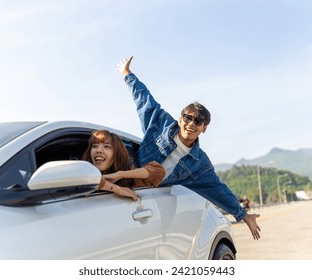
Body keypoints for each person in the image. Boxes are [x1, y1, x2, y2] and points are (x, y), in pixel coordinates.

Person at [116, 56, 261, 240]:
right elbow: (144, 99)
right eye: (188, 118)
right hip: (125, 179)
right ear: (180, 118)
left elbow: (217, 189)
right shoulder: (160, 123)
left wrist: (243, 215)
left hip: (148, 200)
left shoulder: (200, 163)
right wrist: (127, 74)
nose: (191, 123)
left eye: (198, 121)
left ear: (204, 128)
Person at [82, 129, 166, 201]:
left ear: (116, 154)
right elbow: (84, 182)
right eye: (95, 146)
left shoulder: (128, 179)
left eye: (106, 146)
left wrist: (119, 174)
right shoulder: (82, 173)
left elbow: (159, 172)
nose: (99, 150)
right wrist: (116, 188)